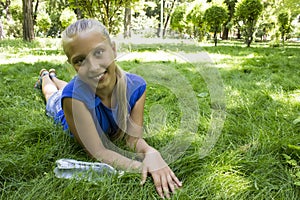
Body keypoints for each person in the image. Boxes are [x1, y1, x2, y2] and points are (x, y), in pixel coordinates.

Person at [35, 18, 182, 199]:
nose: (93, 66)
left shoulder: (136, 87)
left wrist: (151, 152)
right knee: (52, 95)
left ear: (113, 49)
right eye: (80, 60)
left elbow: (132, 139)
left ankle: (53, 76)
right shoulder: (72, 99)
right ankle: (45, 76)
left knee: (66, 86)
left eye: (98, 52)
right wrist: (142, 167)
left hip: (76, 89)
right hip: (63, 107)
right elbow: (97, 151)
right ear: (71, 65)